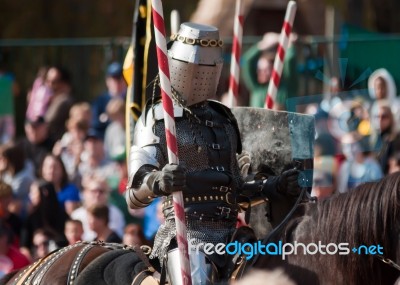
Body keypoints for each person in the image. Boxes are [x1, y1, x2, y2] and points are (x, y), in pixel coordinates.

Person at [126, 22, 301, 284]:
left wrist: (273, 185)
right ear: (176, 66)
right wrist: (158, 181)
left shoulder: (223, 119)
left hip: (233, 236)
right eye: (194, 69)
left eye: (207, 69)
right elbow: (134, 193)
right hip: (186, 234)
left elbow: (236, 189)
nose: (200, 77)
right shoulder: (158, 119)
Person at [242, 32, 298, 110]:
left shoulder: (287, 87)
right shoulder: (257, 88)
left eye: (266, 69)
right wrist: (263, 45)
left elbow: (290, 59)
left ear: (275, 70)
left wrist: (288, 42)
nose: (261, 72)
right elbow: (247, 60)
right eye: (259, 69)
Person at [20, 180, 68, 260]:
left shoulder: (62, 216)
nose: (30, 196)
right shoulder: (31, 218)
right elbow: (24, 247)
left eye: (33, 193)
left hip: (61, 258)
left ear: (45, 193)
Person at [91, 62, 127, 139]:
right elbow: (94, 124)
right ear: (107, 81)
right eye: (114, 79)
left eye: (120, 79)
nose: (117, 83)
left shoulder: (130, 99)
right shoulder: (100, 101)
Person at [44, 66, 74, 141]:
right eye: (47, 80)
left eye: (53, 82)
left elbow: (48, 122)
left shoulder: (64, 101)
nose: (49, 84)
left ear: (64, 83)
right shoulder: (52, 99)